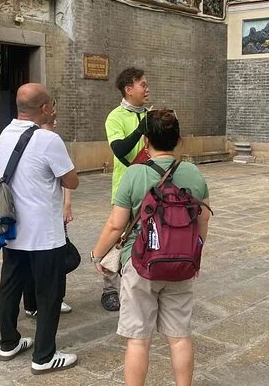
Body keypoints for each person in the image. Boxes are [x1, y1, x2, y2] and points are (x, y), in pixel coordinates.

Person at [91, 109, 210, 386]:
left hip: (140, 263)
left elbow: (116, 225)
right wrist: (195, 251)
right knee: (179, 337)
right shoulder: (193, 173)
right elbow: (203, 219)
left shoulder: (134, 174)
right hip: (181, 263)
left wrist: (98, 254)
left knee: (138, 340)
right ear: (179, 139)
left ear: (146, 141)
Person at [0, 83, 80, 375]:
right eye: (52, 104)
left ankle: (8, 342)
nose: (54, 109)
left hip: (13, 228)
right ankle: (44, 356)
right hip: (44, 232)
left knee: (10, 287)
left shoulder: (4, 134)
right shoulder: (48, 139)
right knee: (48, 293)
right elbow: (71, 181)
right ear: (44, 108)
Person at [100, 67, 151, 312]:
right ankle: (110, 288)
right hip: (125, 187)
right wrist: (141, 129)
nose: (147, 89)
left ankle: (144, 281)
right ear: (129, 90)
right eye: (143, 84)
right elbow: (119, 149)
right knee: (117, 235)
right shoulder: (115, 117)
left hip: (151, 185)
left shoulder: (151, 115)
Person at [23, 119, 73, 318]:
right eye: (52, 116)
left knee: (60, 257)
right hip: (37, 213)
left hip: (51, 211)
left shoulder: (53, 140)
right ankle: (37, 302)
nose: (55, 121)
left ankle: (51, 298)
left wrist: (67, 204)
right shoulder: (38, 140)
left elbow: (66, 176)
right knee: (41, 260)